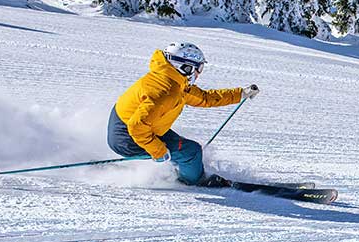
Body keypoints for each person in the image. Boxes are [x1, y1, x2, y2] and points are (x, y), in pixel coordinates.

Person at [107, 42, 259, 186]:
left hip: (143, 127)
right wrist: (158, 151)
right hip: (127, 138)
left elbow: (205, 98)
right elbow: (137, 126)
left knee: (184, 148)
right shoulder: (166, 91)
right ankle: (195, 181)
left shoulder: (173, 82)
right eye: (198, 68)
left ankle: (181, 169)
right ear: (186, 67)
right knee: (191, 151)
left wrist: (240, 94)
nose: (199, 74)